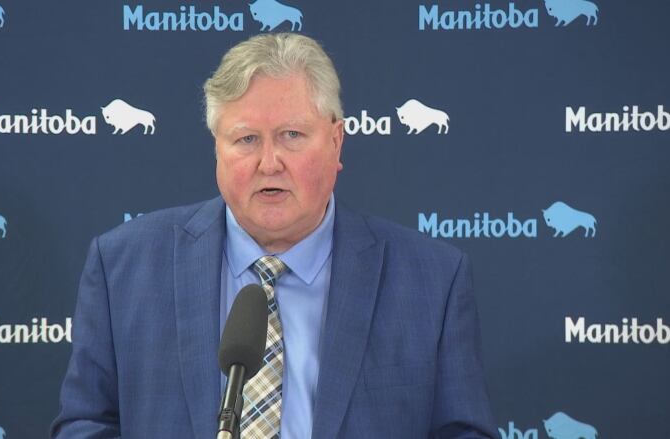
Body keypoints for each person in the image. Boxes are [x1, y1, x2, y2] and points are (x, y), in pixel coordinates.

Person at [51, 33, 497, 438]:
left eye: (292, 135)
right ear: (217, 149)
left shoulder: (432, 280)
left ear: (337, 142)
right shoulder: (123, 265)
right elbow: (87, 425)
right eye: (246, 140)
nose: (269, 162)